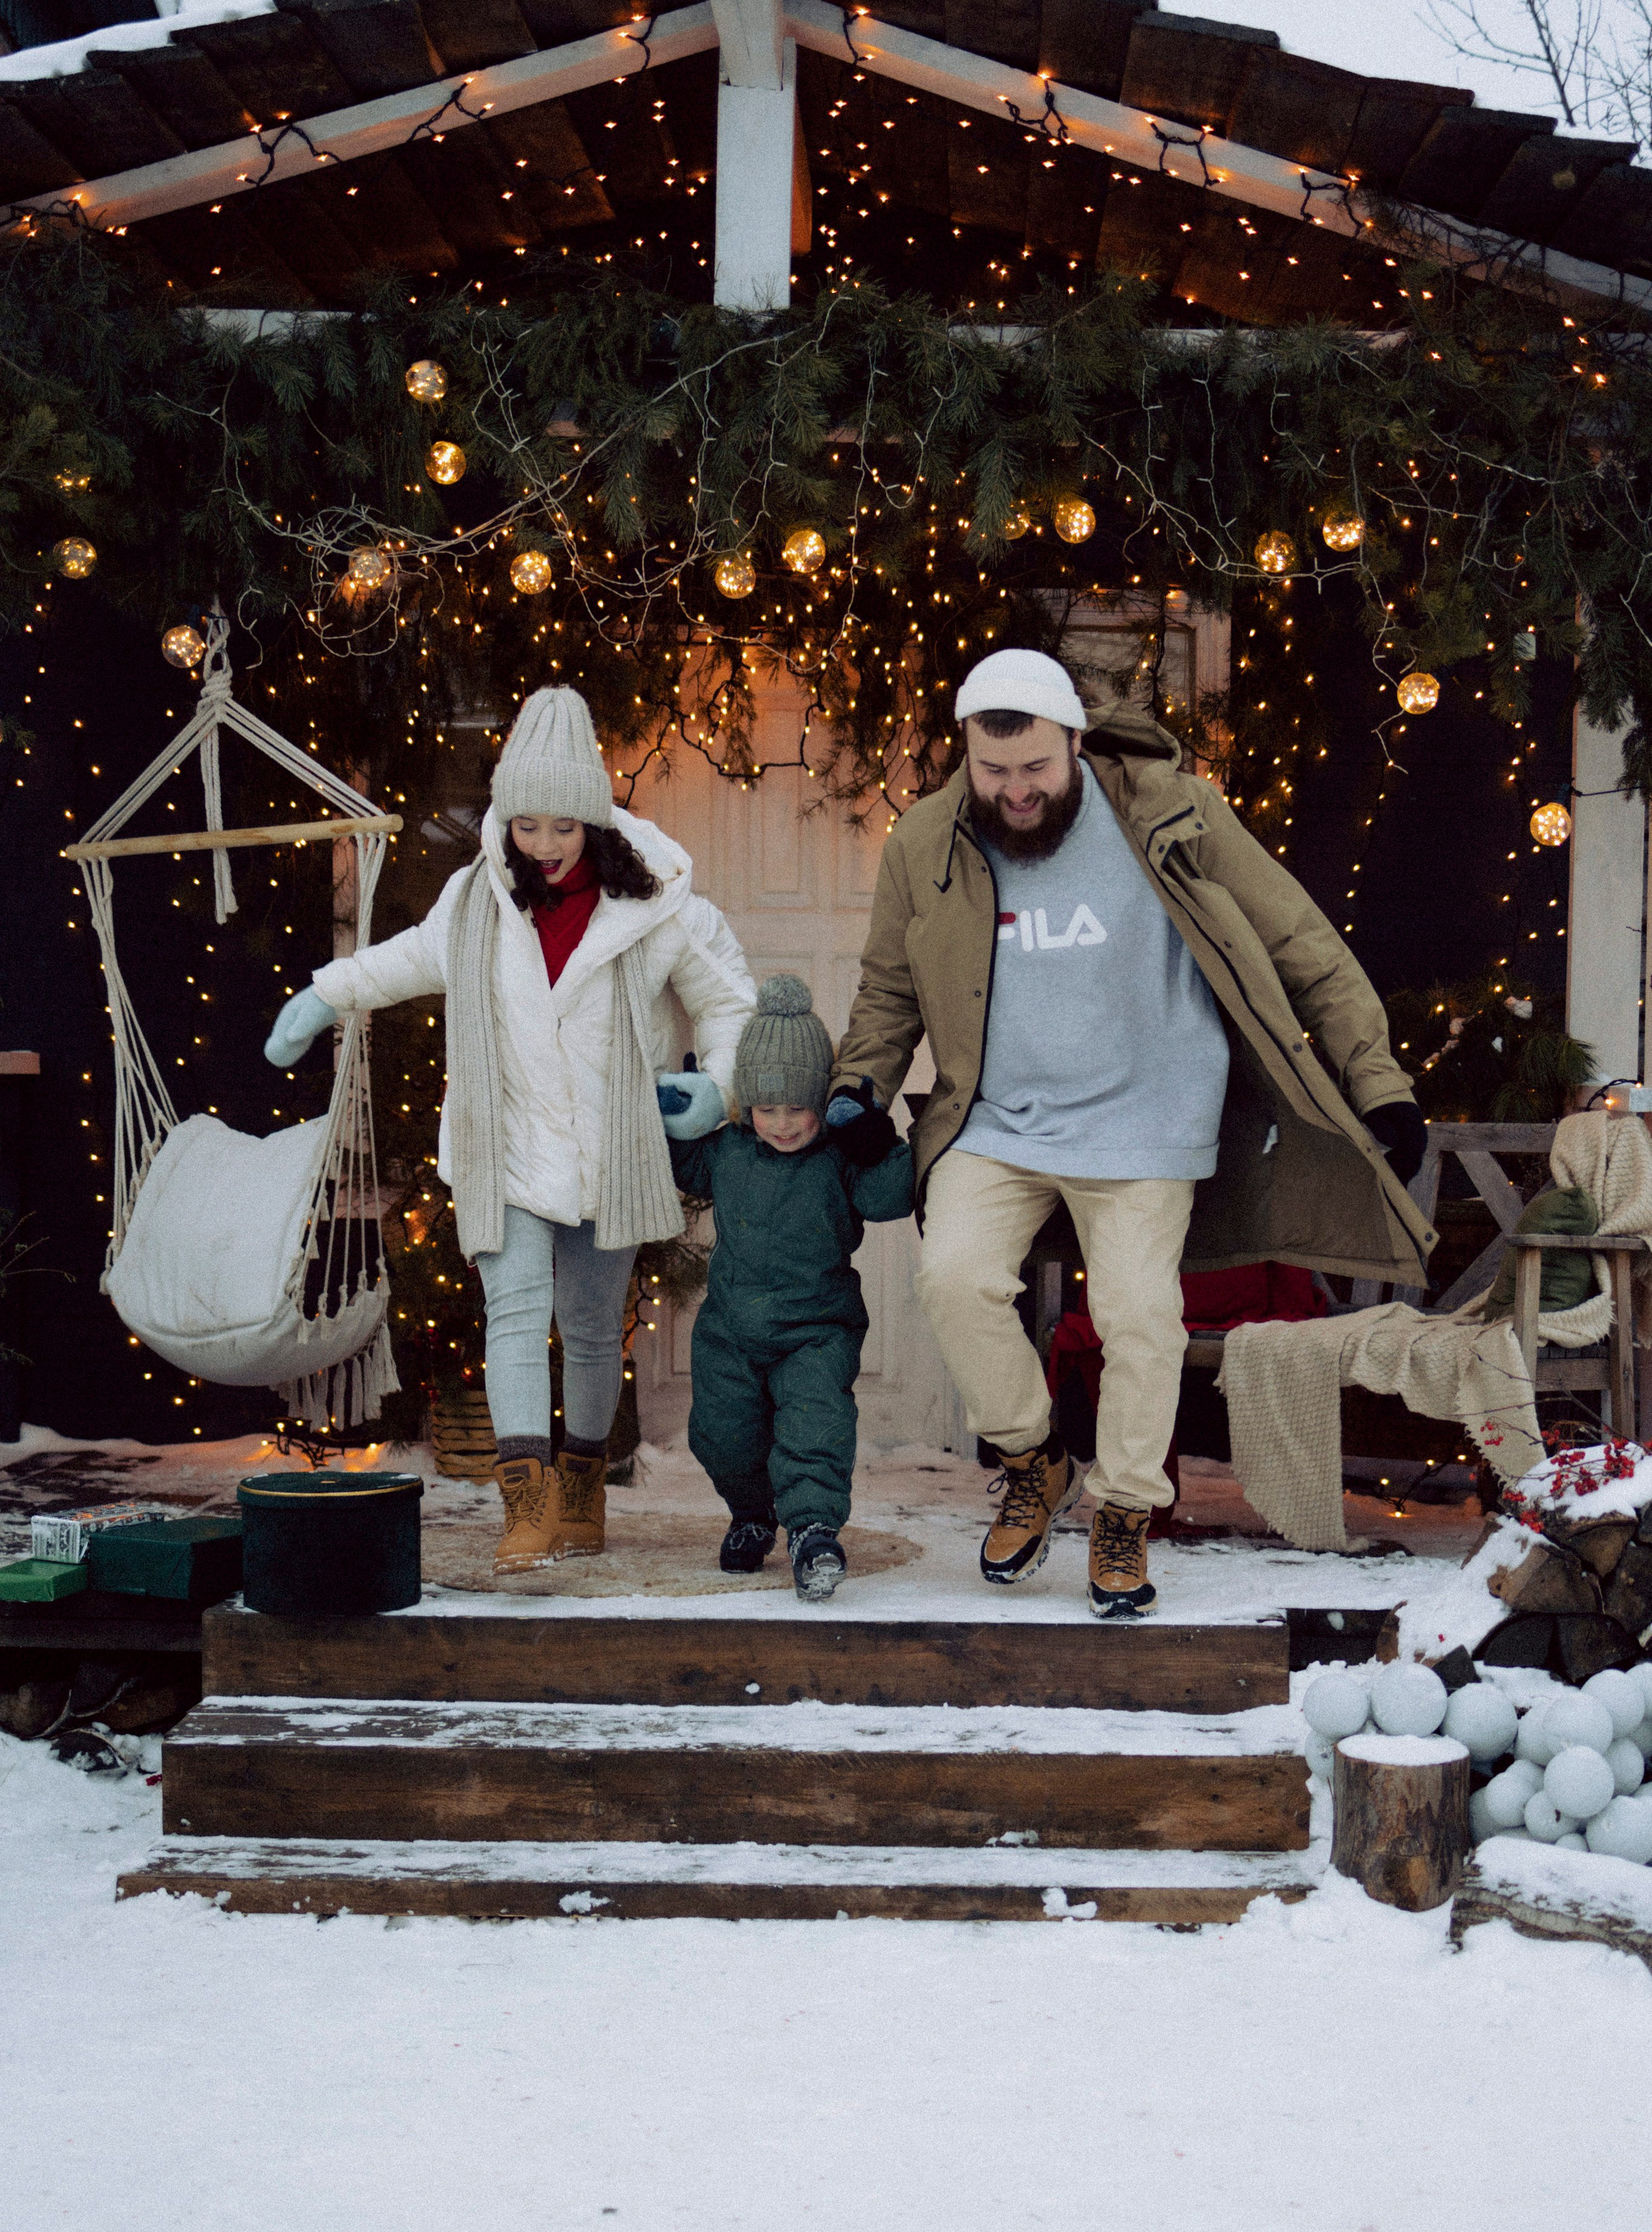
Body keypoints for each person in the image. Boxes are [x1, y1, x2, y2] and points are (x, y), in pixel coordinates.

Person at [825, 649, 1431, 1623]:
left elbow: (1300, 941)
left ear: (1075, 741)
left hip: (1147, 1115)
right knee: (953, 1279)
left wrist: (1379, 1083)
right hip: (998, 1117)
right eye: (993, 771)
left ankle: (1124, 1509)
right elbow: (891, 986)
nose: (1016, 792)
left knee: (1140, 1315)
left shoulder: (1169, 810)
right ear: (966, 753)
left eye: (1036, 768)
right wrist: (861, 1086)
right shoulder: (928, 839)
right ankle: (1034, 1459)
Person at [263, 686, 754, 1574]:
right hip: (508, 1146)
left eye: (564, 826)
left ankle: (583, 1495)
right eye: (527, 825)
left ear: (594, 820)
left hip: (610, 1152)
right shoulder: (475, 901)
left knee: (595, 1329)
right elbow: (408, 959)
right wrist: (324, 995)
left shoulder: (659, 903)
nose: (546, 844)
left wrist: (718, 1088)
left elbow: (728, 999)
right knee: (517, 1318)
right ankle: (525, 1509)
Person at [667, 976, 914, 1601]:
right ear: (746, 1104)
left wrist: (878, 1143)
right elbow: (679, 1164)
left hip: (817, 1329)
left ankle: (812, 1532)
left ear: (820, 1103)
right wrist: (678, 1115)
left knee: (814, 1428)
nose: (782, 1124)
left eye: (797, 1108)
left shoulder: (838, 1156)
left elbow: (889, 1197)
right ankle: (753, 1514)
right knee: (721, 1436)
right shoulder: (728, 1150)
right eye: (767, 1108)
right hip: (730, 1330)